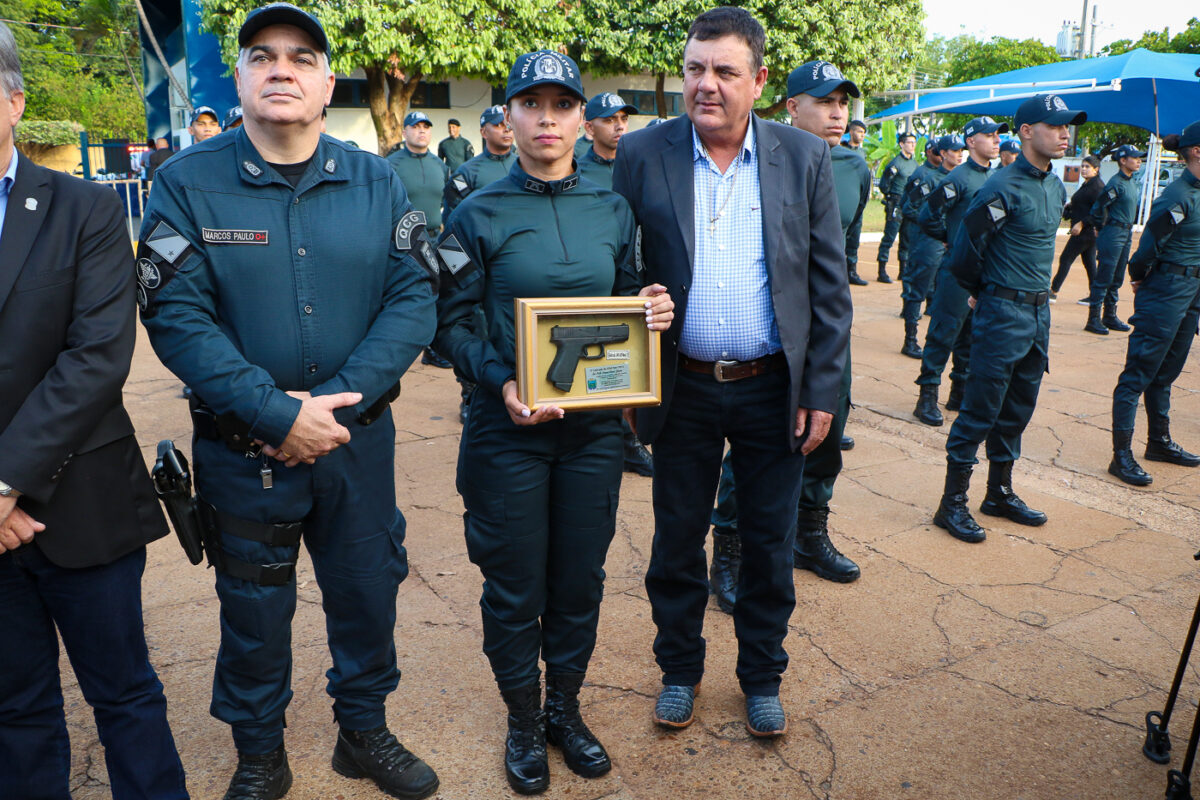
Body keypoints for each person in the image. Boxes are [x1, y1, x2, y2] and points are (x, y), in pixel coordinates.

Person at [137, 5, 440, 799]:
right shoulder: (185, 183)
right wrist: (275, 414)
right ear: (238, 78)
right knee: (253, 610)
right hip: (246, 452)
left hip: (355, 446)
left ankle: (364, 732)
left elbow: (414, 297)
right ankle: (260, 753)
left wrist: (334, 408)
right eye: (262, 56)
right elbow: (176, 316)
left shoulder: (376, 179)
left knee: (369, 591)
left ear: (325, 80)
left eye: (302, 57)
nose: (282, 69)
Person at [434, 50, 673, 794]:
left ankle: (564, 710)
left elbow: (630, 297)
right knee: (513, 586)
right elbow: (449, 326)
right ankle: (521, 718)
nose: (546, 118)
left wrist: (652, 312)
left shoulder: (612, 207)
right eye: (529, 104)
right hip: (508, 431)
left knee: (580, 580)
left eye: (561, 105)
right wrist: (502, 379)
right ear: (507, 114)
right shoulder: (474, 213)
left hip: (594, 434)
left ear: (580, 118)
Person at [612, 7, 852, 738]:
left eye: (722, 71)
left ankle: (761, 676)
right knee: (676, 541)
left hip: (771, 389)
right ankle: (679, 670)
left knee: (769, 542)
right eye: (694, 69)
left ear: (759, 81)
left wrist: (822, 392)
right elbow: (616, 267)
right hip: (679, 388)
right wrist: (630, 334)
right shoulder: (642, 153)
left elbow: (828, 288)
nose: (705, 85)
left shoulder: (802, 158)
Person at [0, 22, 189, 799]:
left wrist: (4, 486)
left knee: (126, 695)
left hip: (84, 498)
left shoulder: (85, 209)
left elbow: (97, 358)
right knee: (14, 710)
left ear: (12, 101)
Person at [705, 58, 866, 612]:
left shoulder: (852, 167)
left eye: (843, 103)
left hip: (822, 330)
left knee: (825, 430)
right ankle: (729, 544)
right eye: (825, 102)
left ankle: (810, 532)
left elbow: (840, 259)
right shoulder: (765, 160)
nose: (837, 113)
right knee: (753, 445)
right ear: (792, 105)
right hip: (766, 339)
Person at [934, 94, 1085, 543]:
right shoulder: (1001, 186)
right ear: (1025, 131)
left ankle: (998, 492)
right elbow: (964, 255)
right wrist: (986, 293)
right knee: (979, 410)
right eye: (1055, 125)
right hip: (1002, 313)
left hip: (1038, 315)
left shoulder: (1055, 186)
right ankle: (952, 504)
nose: (1064, 134)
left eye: (1067, 127)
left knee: (1017, 408)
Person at [1107, 123, 1200, 486]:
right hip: (1165, 289)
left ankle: (1158, 442)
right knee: (1138, 374)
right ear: (1196, 151)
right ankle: (1121, 455)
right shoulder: (1176, 196)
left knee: (1166, 372)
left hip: (1191, 291)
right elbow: (1148, 247)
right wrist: (1140, 275)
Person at [913, 117, 1006, 426]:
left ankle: (959, 392)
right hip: (956, 270)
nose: (995, 140)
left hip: (984, 270)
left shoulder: (995, 178)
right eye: (988, 135)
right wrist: (952, 241)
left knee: (970, 334)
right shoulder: (957, 178)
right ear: (970, 142)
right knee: (944, 331)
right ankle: (927, 395)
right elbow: (928, 216)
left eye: (997, 135)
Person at [389, 110, 455, 369]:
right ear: (404, 131)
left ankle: (432, 346)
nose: (422, 131)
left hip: (436, 236)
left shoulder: (440, 165)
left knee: (441, 291)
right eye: (415, 126)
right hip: (404, 241)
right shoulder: (392, 164)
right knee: (410, 295)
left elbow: (446, 202)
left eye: (426, 127)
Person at [899, 135, 956, 358]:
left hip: (947, 244)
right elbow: (909, 207)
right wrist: (936, 229)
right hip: (927, 243)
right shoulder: (929, 179)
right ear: (943, 154)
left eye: (961, 150)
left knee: (943, 294)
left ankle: (937, 343)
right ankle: (910, 340)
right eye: (955, 150)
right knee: (917, 291)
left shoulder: (957, 179)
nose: (960, 154)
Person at [1085, 144, 1145, 334]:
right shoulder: (1116, 183)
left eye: (1139, 158)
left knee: (1117, 276)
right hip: (1113, 233)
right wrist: (1100, 228)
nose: (1138, 161)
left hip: (1125, 233)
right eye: (1134, 158)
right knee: (1104, 277)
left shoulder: (1130, 181)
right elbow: (1098, 207)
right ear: (1122, 160)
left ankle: (1109, 316)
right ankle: (1093, 319)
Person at [443, 104, 516, 215]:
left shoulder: (526, 166)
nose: (506, 129)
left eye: (509, 124)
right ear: (484, 132)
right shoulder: (466, 172)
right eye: (498, 125)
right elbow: (454, 214)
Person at [1050, 154, 1102, 301]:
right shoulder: (1088, 184)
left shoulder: (1097, 187)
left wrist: (1082, 223)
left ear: (1096, 169)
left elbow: (1099, 211)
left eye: (1088, 167)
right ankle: (1095, 294)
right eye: (1083, 166)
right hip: (1086, 232)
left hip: (1085, 232)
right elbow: (1083, 205)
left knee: (1066, 258)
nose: (1084, 170)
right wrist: (1070, 208)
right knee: (1090, 263)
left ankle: (1053, 291)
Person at [876, 132, 917, 284]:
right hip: (896, 202)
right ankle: (882, 271)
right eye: (910, 142)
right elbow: (884, 185)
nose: (913, 145)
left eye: (914, 142)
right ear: (902, 144)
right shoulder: (895, 163)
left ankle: (903, 271)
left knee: (906, 238)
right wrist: (890, 198)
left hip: (909, 203)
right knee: (889, 237)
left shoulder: (914, 164)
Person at [577, 92, 636, 188]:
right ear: (589, 128)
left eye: (624, 119)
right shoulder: (577, 174)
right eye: (610, 120)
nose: (620, 126)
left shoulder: (638, 167)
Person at [841, 117, 870, 286]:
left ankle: (852, 271)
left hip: (858, 200)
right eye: (859, 131)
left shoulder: (863, 154)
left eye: (863, 133)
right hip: (844, 199)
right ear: (851, 132)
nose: (861, 135)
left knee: (854, 238)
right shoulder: (842, 150)